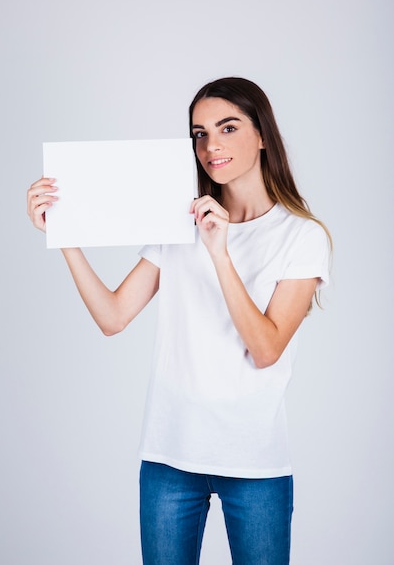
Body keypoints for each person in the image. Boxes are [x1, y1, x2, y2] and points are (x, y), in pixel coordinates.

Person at [27, 77, 331, 565]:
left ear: (262, 135)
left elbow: (266, 348)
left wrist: (220, 253)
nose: (211, 145)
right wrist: (64, 233)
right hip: (169, 456)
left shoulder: (301, 236)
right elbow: (113, 317)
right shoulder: (179, 223)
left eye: (227, 127)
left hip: (253, 461)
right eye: (199, 133)